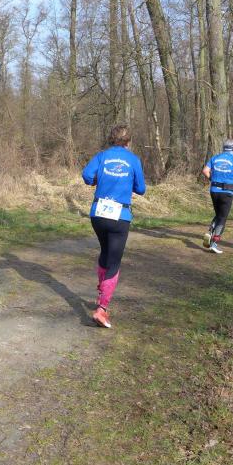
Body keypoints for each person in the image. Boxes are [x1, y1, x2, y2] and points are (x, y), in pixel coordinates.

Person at [82, 125, 146, 329]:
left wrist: (99, 179)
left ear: (111, 139)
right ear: (128, 141)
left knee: (105, 252)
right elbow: (141, 189)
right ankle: (102, 309)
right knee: (114, 262)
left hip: (98, 214)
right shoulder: (133, 160)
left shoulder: (102, 156)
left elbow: (86, 176)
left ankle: (102, 289)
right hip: (120, 216)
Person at [202, 139, 233, 254]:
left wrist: (213, 179)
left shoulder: (215, 158)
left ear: (223, 148)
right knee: (222, 218)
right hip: (227, 192)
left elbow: (205, 171)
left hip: (214, 191)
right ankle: (214, 243)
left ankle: (211, 230)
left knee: (218, 214)